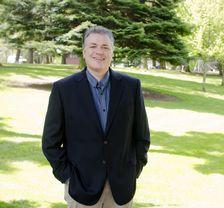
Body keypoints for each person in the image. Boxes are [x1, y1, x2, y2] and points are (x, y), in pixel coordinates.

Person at [42, 26, 150, 208]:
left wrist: (134, 171)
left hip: (121, 190)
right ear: (84, 52)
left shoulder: (131, 87)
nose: (99, 51)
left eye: (105, 47)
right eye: (93, 46)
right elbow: (50, 143)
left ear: (112, 53)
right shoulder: (63, 90)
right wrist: (68, 177)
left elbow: (142, 137)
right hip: (81, 189)